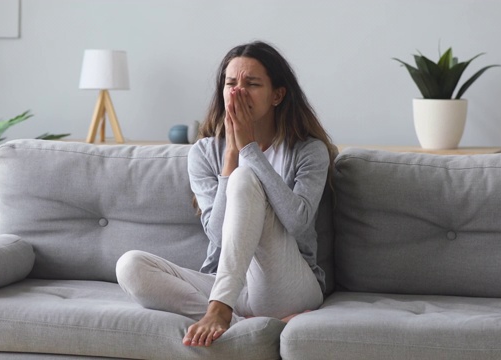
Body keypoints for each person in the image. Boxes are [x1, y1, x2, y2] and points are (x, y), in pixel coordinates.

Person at [115, 40, 337, 348]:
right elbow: (218, 237)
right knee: (130, 266)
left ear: (277, 95)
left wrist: (249, 151)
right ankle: (242, 323)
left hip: (287, 284)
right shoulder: (205, 153)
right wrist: (231, 155)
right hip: (228, 286)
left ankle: (219, 310)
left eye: (252, 84)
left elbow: (298, 223)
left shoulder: (307, 150)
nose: (238, 92)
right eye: (230, 83)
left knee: (245, 179)